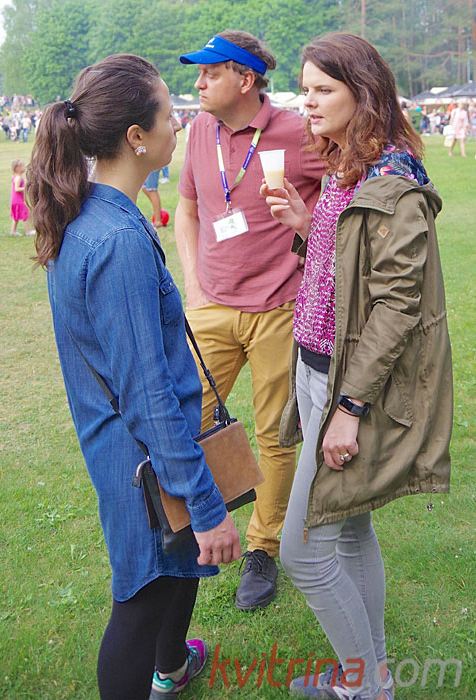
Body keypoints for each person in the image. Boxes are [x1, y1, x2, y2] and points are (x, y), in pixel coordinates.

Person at [26, 53, 241, 700]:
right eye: (170, 114)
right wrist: (206, 505)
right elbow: (145, 396)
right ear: (136, 137)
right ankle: (157, 666)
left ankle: (171, 667)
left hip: (143, 450)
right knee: (141, 600)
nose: (181, 123)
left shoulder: (96, 214)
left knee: (176, 570)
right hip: (141, 458)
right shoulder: (114, 240)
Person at [262, 33, 452, 700]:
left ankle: (366, 687)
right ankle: (370, 681)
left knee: (302, 552)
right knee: (350, 531)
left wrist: (348, 408)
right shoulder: (348, 166)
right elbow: (349, 268)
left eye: (323, 89)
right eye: (304, 90)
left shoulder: (392, 182)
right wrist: (305, 225)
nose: (307, 103)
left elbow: (396, 306)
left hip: (349, 385)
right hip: (317, 368)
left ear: (362, 94)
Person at [176, 30, 324, 611]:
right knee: (186, 420)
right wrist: (194, 287)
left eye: (209, 73)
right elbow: (188, 210)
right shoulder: (198, 131)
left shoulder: (298, 131)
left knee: (275, 436)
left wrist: (309, 229)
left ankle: (263, 548)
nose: (198, 83)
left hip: (280, 310)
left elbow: (345, 194)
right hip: (211, 307)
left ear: (245, 79)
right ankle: (194, 523)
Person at [10, 158, 34, 236]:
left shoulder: (15, 176)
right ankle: (28, 232)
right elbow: (17, 189)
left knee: (16, 217)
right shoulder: (18, 178)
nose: (24, 167)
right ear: (17, 168)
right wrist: (26, 188)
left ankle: (13, 231)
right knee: (25, 215)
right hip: (18, 200)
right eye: (22, 166)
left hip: (15, 200)